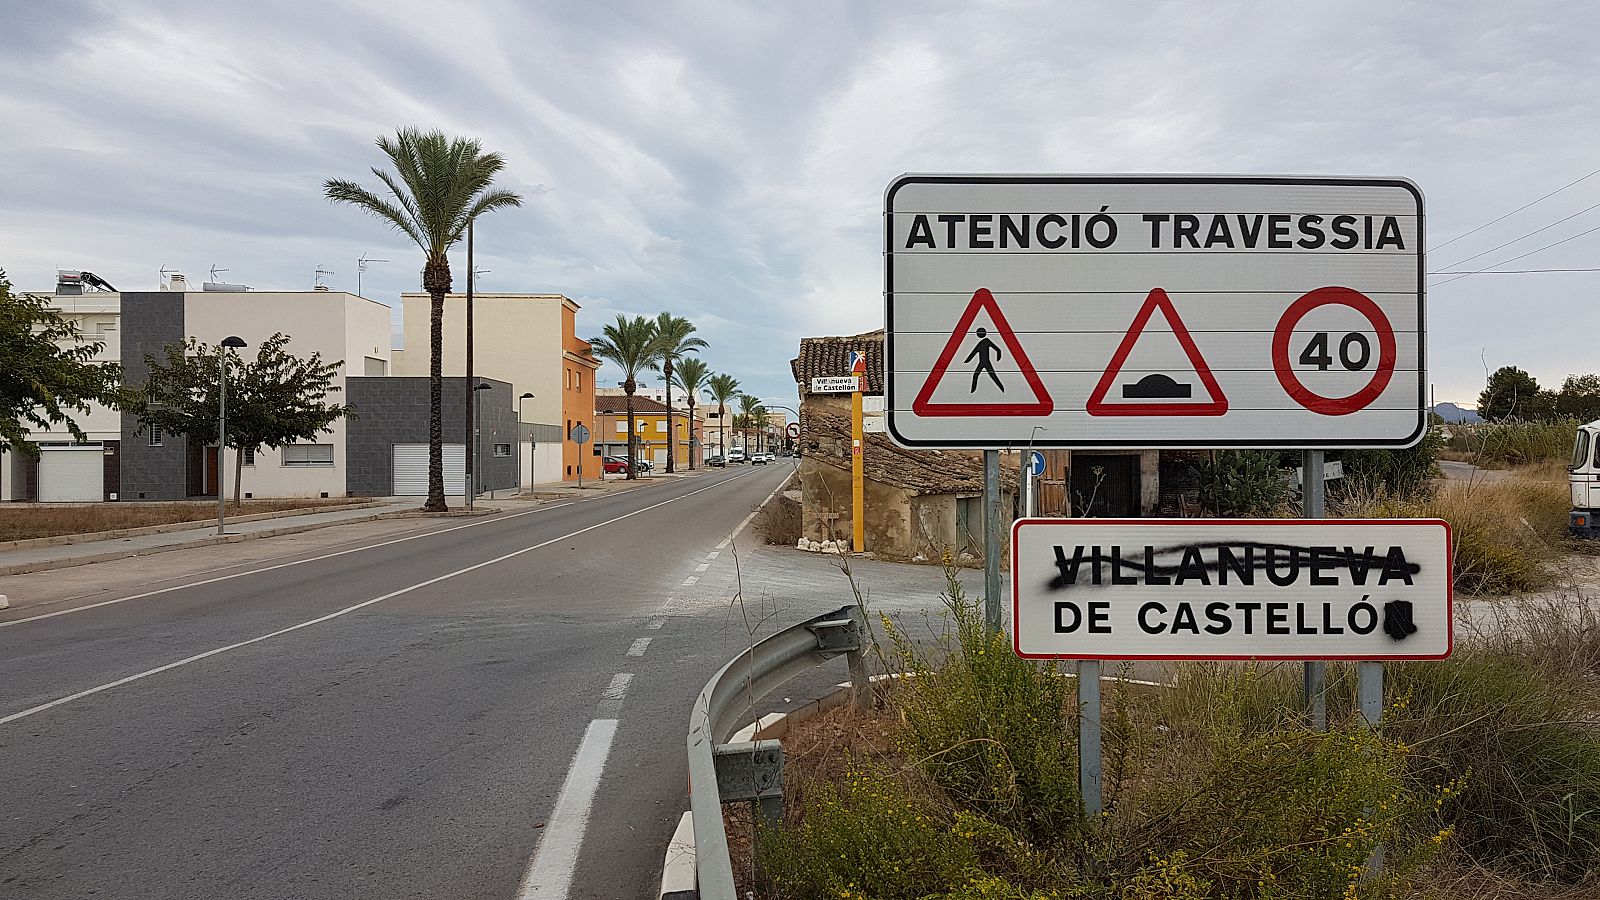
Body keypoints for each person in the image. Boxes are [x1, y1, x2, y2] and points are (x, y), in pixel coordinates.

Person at [965, 327, 1004, 393]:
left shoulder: (986, 341)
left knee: (992, 376)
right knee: (976, 375)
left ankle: (1002, 389)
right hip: (981, 363)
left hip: (986, 362)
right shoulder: (982, 343)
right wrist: (967, 361)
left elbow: (998, 349)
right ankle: (972, 391)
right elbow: (973, 353)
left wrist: (998, 357)